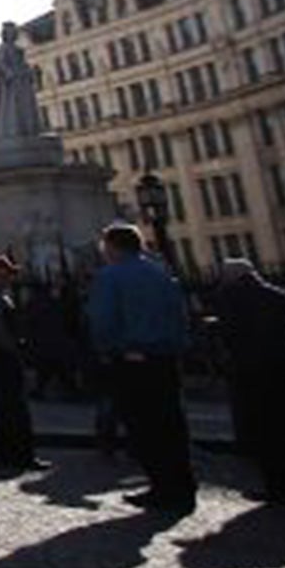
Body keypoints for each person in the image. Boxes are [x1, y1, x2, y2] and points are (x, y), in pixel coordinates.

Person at [89, 221, 196, 515]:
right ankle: (183, 487)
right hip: (166, 358)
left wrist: (107, 350)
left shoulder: (110, 276)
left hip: (132, 358)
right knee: (172, 424)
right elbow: (181, 314)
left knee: (144, 426)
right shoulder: (161, 274)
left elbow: (103, 321)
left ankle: (162, 487)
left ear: (111, 246)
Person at [214, 259, 285, 502]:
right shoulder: (278, 296)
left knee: (265, 432)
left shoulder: (232, 299)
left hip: (251, 371)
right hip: (282, 368)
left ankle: (278, 486)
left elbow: (230, 335)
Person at [0, 254, 47, 474]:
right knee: (12, 406)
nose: (10, 279)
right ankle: (18, 455)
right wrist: (13, 348)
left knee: (8, 407)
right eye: (6, 274)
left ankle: (12, 455)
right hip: (0, 356)